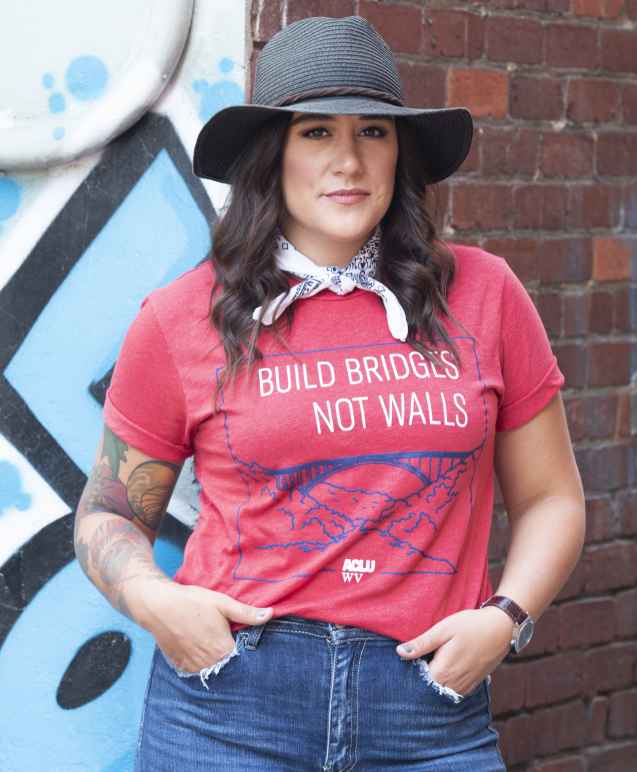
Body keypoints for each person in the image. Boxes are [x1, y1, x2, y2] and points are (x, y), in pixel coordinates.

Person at [74, 15, 586, 771]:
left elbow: (551, 497)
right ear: (270, 155)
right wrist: (157, 603)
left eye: (372, 133)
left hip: (426, 708)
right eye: (315, 133)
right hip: (231, 704)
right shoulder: (183, 316)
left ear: (398, 153)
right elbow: (109, 511)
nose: (348, 160)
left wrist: (506, 619)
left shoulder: (483, 294)